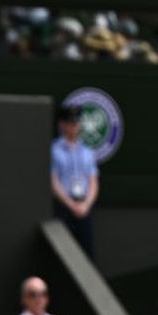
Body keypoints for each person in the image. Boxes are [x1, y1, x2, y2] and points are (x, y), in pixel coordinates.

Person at [50, 103, 98, 258]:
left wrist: (86, 205)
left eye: (76, 123)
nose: (74, 127)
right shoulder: (54, 150)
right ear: (62, 124)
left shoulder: (87, 151)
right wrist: (71, 205)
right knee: (63, 255)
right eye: (70, 123)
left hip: (84, 208)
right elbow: (53, 181)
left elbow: (93, 181)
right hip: (63, 208)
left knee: (87, 254)